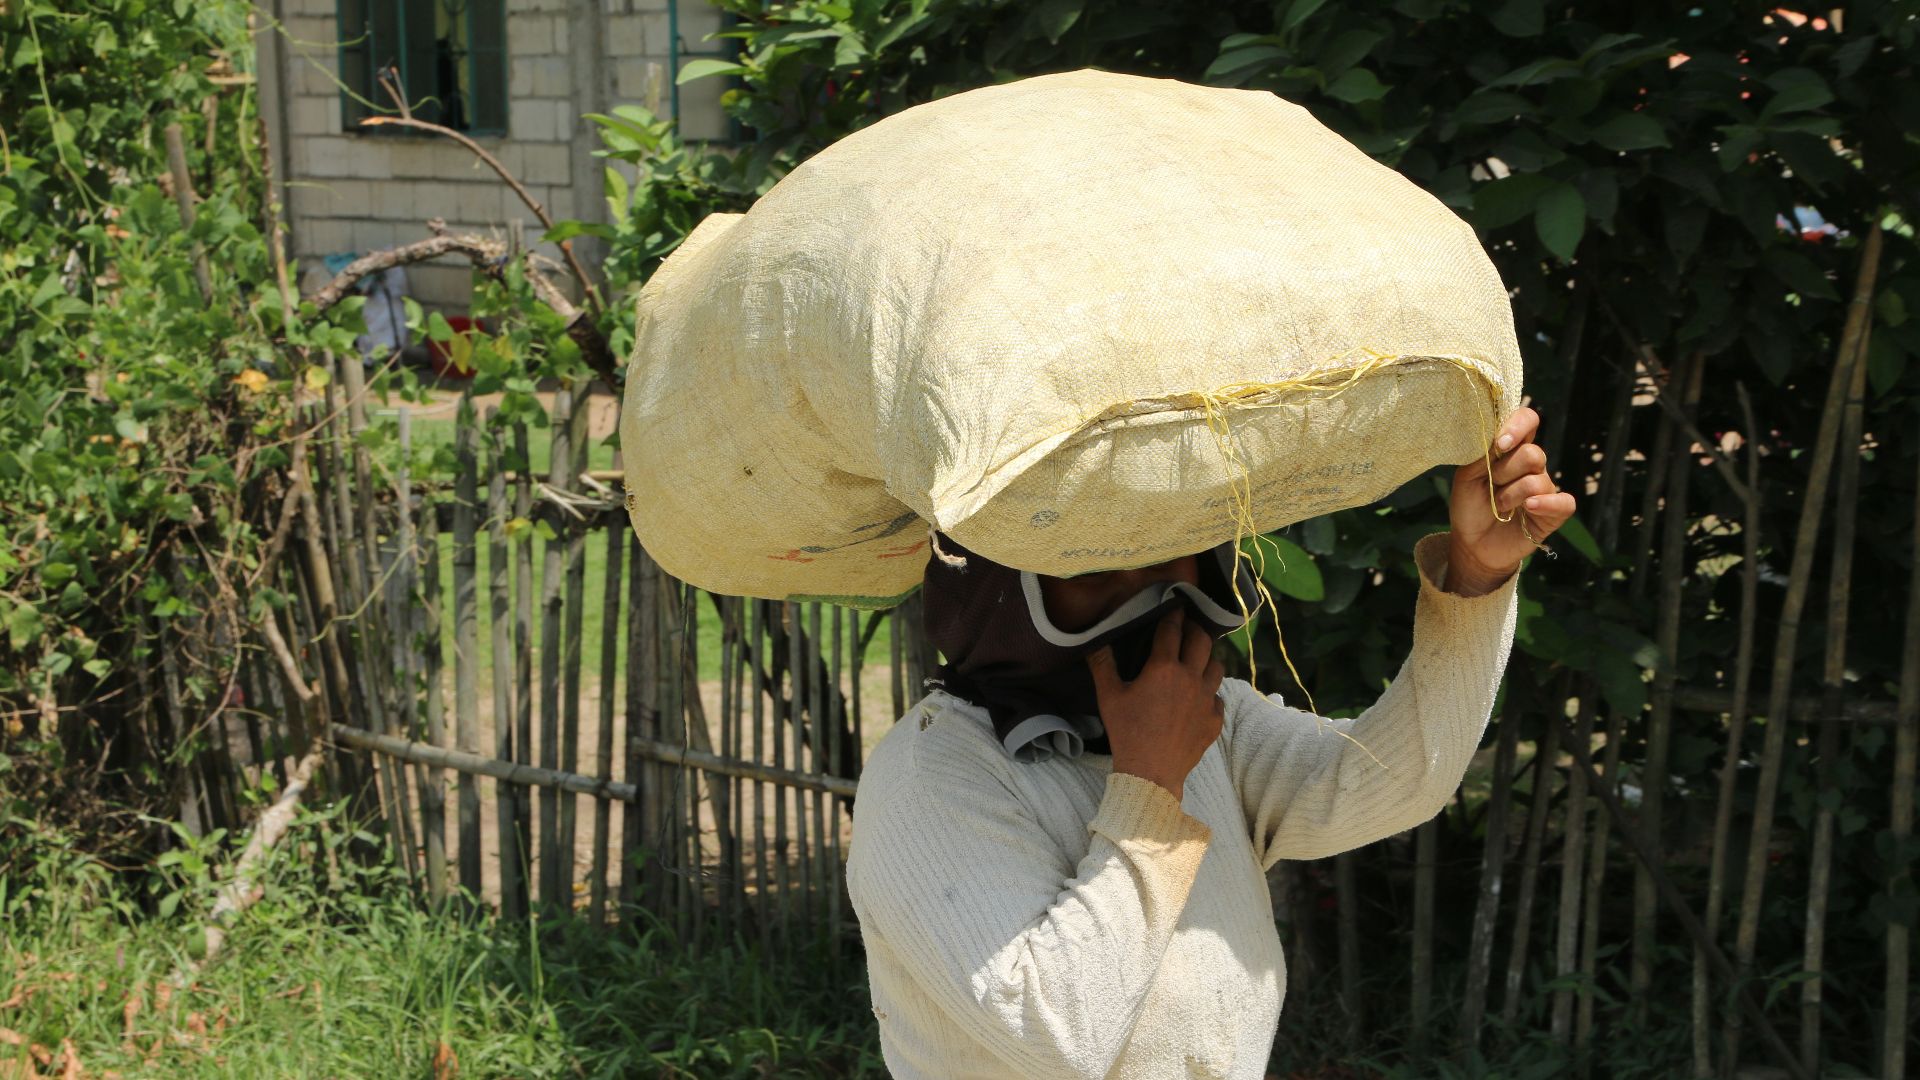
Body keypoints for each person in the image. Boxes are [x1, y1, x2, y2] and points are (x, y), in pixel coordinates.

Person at [846, 407, 1574, 1079]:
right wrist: (1151, 784)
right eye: (1099, 569)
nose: (1160, 592)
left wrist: (1475, 578)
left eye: (1180, 552)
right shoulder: (929, 779)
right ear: (1002, 590)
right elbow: (1058, 1036)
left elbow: (1393, 781)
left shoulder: (1210, 724)